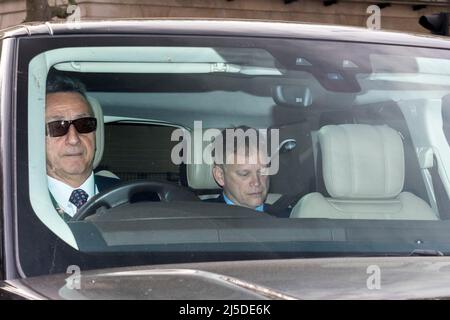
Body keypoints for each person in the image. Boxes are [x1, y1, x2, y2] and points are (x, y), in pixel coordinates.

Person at [45, 74, 119, 220]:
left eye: (84, 124)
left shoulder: (134, 199)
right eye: (57, 127)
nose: (73, 139)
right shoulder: (15, 205)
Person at [206, 126, 271, 212]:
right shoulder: (198, 219)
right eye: (244, 174)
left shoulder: (288, 218)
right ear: (220, 176)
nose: (256, 182)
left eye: (263, 172)